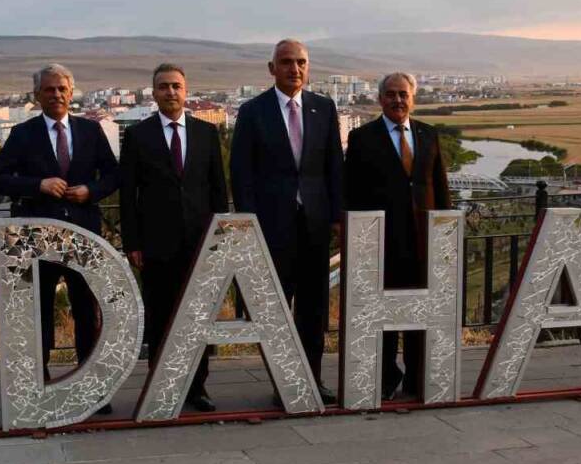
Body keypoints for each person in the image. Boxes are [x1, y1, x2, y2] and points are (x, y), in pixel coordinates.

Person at [0, 63, 120, 410]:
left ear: (71, 92)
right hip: (38, 238)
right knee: (39, 313)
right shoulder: (22, 134)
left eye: (62, 89)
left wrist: (91, 191)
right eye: (49, 90)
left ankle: (91, 387)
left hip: (83, 235)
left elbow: (113, 175)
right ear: (37, 95)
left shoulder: (91, 131)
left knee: (87, 312)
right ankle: (38, 385)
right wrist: (37, 185)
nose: (57, 95)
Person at [229, 38, 343, 404]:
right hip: (271, 226)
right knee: (277, 307)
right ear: (272, 68)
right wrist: (248, 222)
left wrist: (337, 216)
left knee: (313, 307)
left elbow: (333, 169)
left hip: (313, 225)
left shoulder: (324, 108)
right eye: (287, 62)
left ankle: (312, 379)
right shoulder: (252, 112)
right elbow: (241, 173)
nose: (295, 69)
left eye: (302, 62)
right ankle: (284, 381)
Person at [120, 63, 229, 412]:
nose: (170, 92)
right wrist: (133, 242)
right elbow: (128, 195)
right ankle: (161, 385)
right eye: (164, 86)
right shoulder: (138, 136)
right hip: (156, 244)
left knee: (198, 316)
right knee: (160, 315)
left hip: (200, 242)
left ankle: (198, 387)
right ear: (153, 93)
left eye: (176, 86)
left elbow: (217, 190)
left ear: (186, 90)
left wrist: (220, 236)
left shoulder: (206, 134)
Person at [343, 71, 451, 399]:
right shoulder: (362, 138)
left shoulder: (429, 135)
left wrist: (445, 236)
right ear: (380, 99)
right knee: (384, 315)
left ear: (413, 98)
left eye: (403, 94)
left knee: (422, 311)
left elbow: (441, 190)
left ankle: (418, 379)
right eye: (391, 94)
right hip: (382, 243)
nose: (397, 100)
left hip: (423, 243)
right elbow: (353, 192)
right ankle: (386, 378)